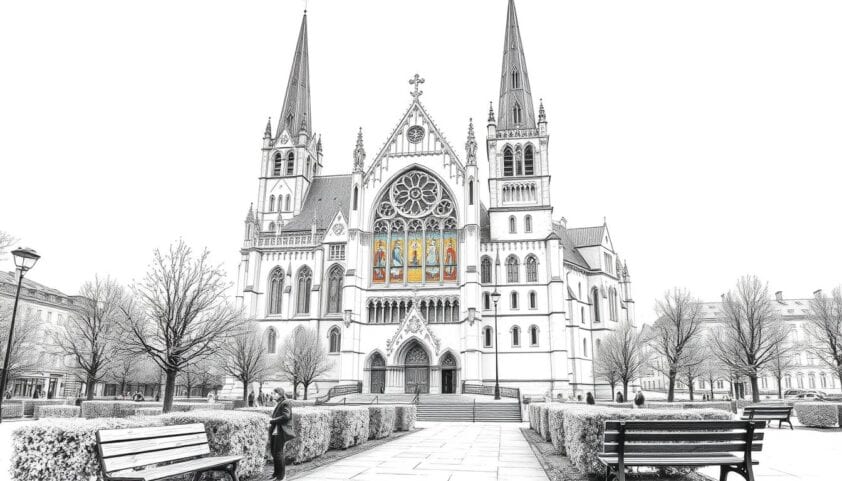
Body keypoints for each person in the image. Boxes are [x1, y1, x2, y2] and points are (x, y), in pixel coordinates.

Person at [269, 387, 295, 480]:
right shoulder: (280, 403)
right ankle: (276, 474)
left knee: (278, 453)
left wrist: (272, 420)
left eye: (274, 393)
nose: (272, 395)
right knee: (275, 452)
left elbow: (286, 417)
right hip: (276, 431)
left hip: (281, 431)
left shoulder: (285, 402)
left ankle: (281, 476)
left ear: (279, 394)